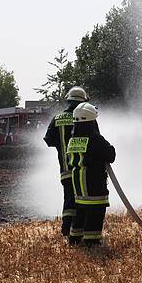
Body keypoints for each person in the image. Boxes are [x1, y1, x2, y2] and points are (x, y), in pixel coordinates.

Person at [65, 102, 116, 248]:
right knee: (95, 212)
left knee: (80, 211)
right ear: (92, 121)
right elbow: (110, 155)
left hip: (78, 181)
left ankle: (74, 238)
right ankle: (92, 241)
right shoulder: (95, 139)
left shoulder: (72, 139)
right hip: (93, 180)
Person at [44, 86, 89, 238]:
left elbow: (48, 140)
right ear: (83, 102)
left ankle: (66, 228)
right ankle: (81, 228)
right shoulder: (86, 118)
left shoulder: (57, 119)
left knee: (69, 198)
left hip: (65, 169)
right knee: (83, 199)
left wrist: (62, 143)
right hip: (83, 169)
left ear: (69, 101)